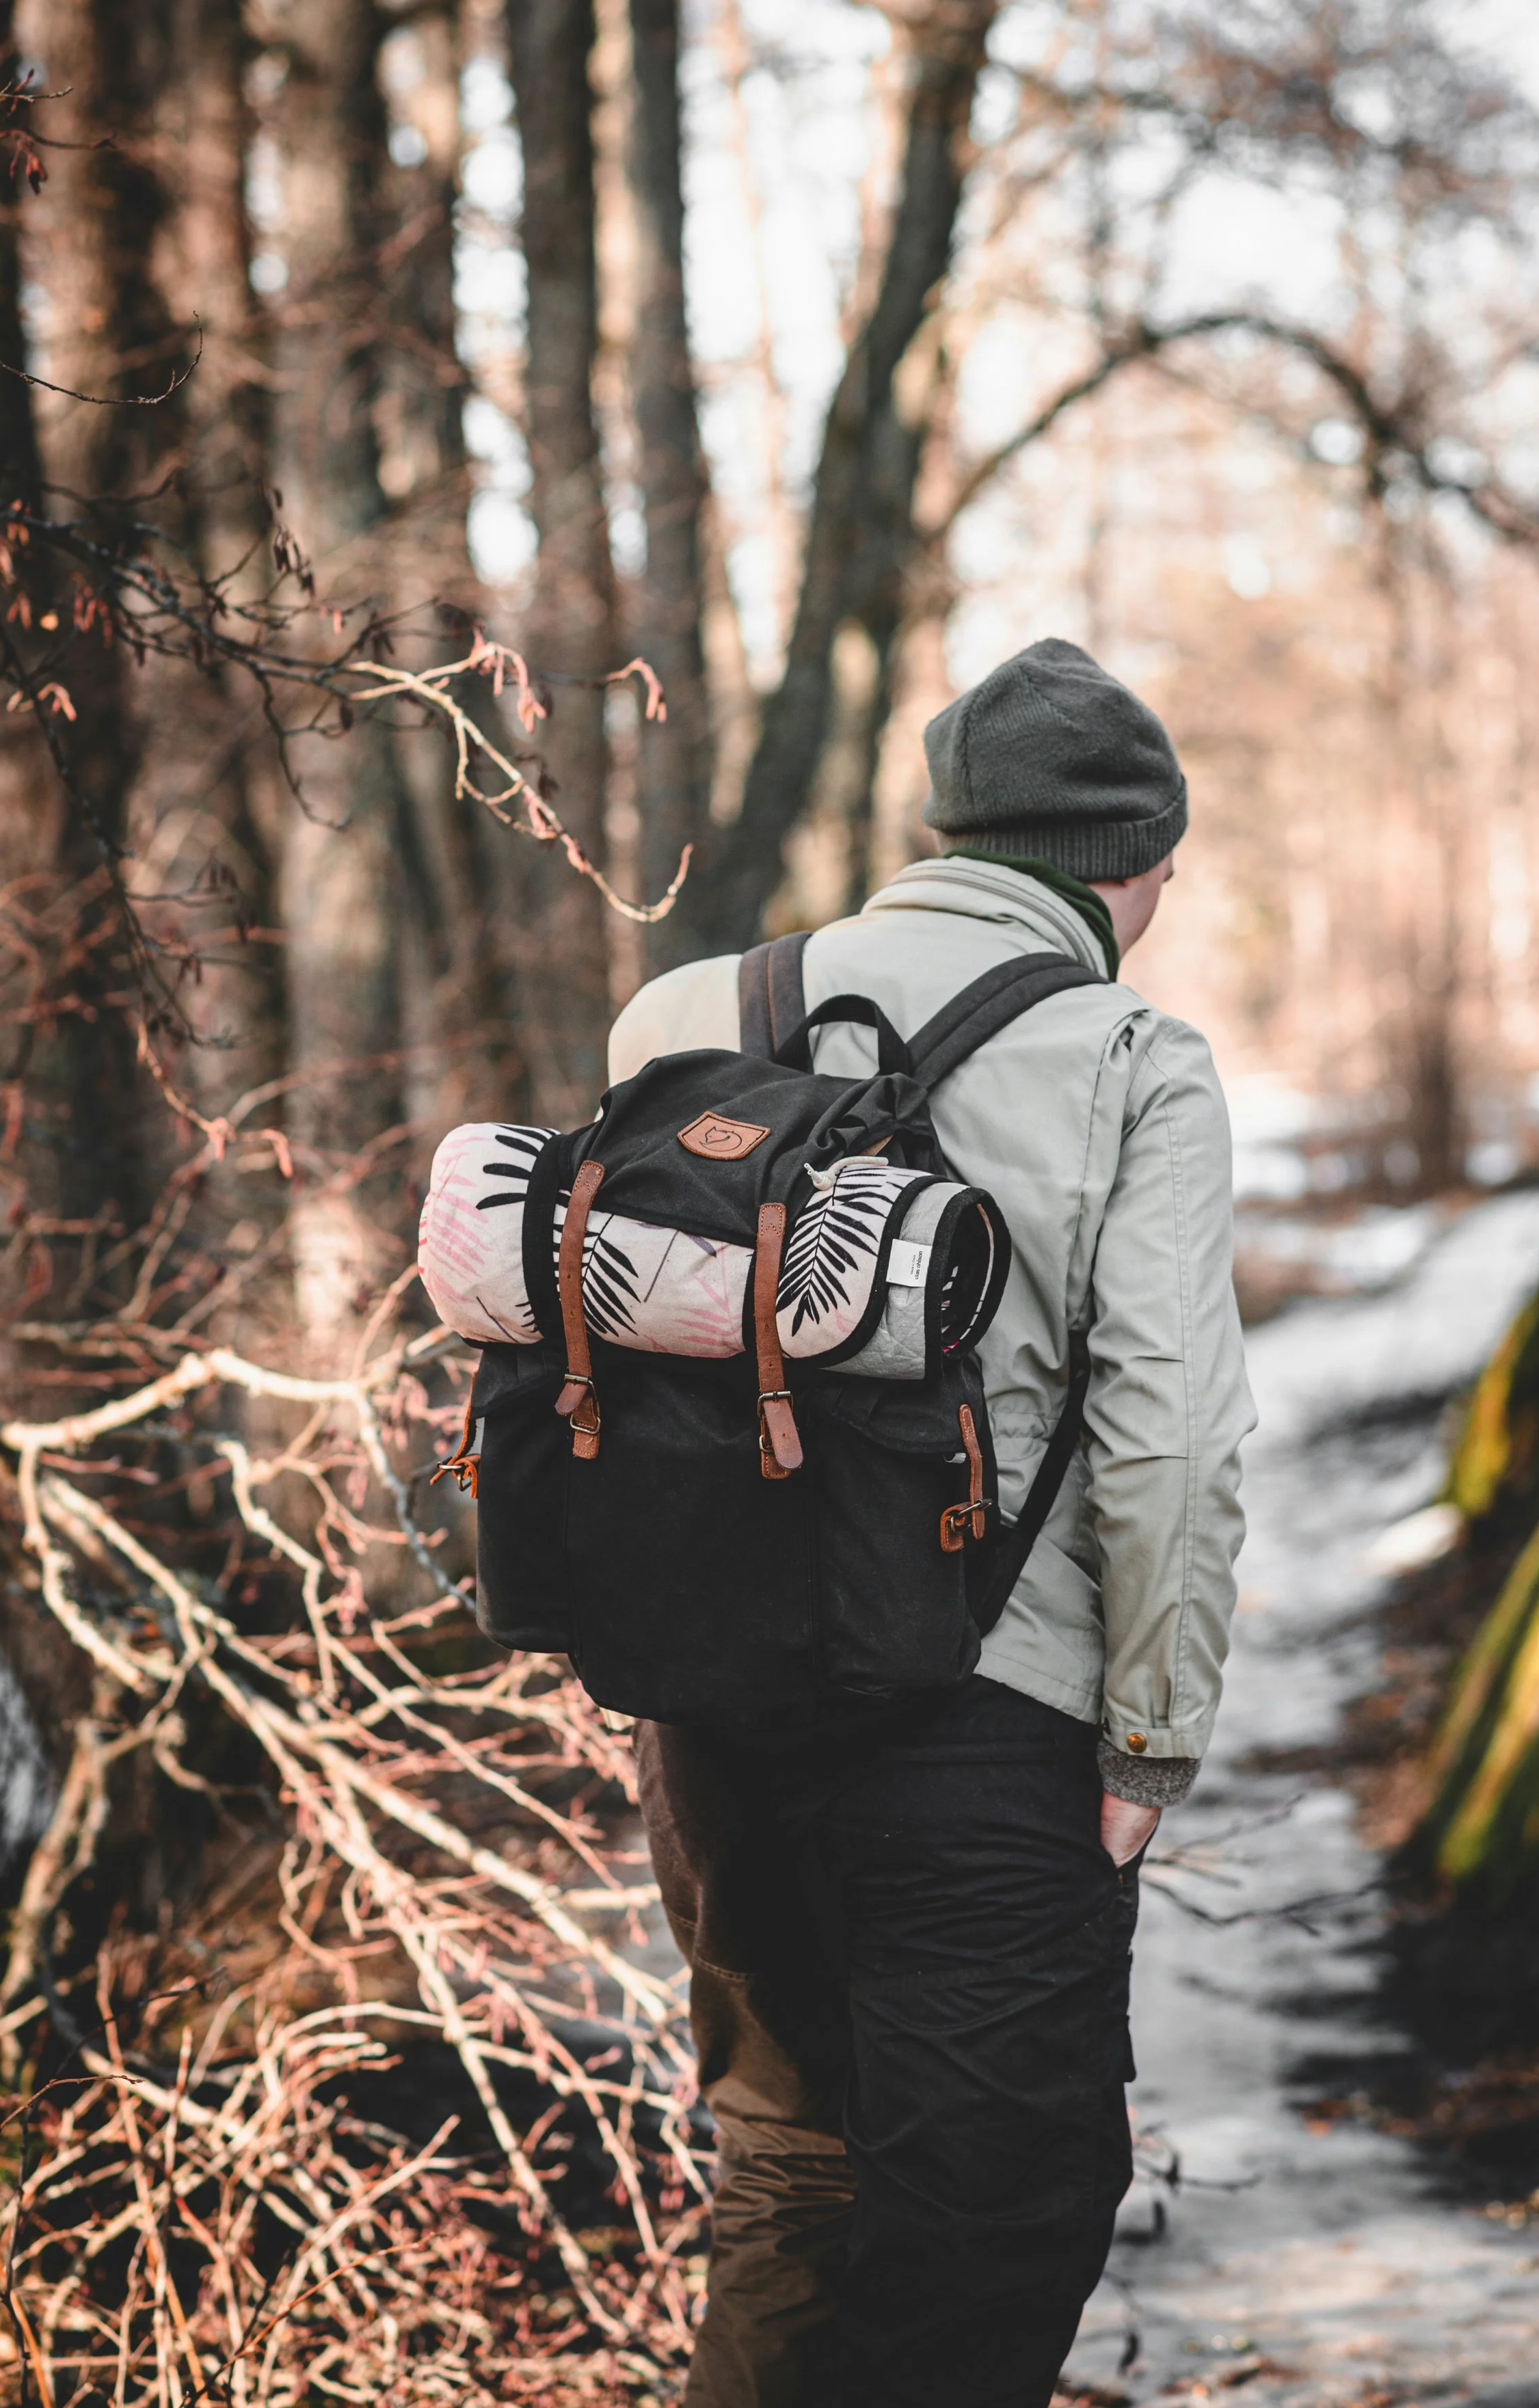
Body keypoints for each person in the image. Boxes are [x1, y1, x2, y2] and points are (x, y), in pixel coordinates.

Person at [607, 636, 1255, 2408]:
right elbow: (1172, 1437)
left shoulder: (686, 1013)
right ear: (1133, 860)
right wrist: (1149, 1741)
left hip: (716, 1717)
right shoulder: (1130, 1056)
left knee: (788, 2180)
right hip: (990, 1732)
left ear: (945, 829)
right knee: (994, 2227)